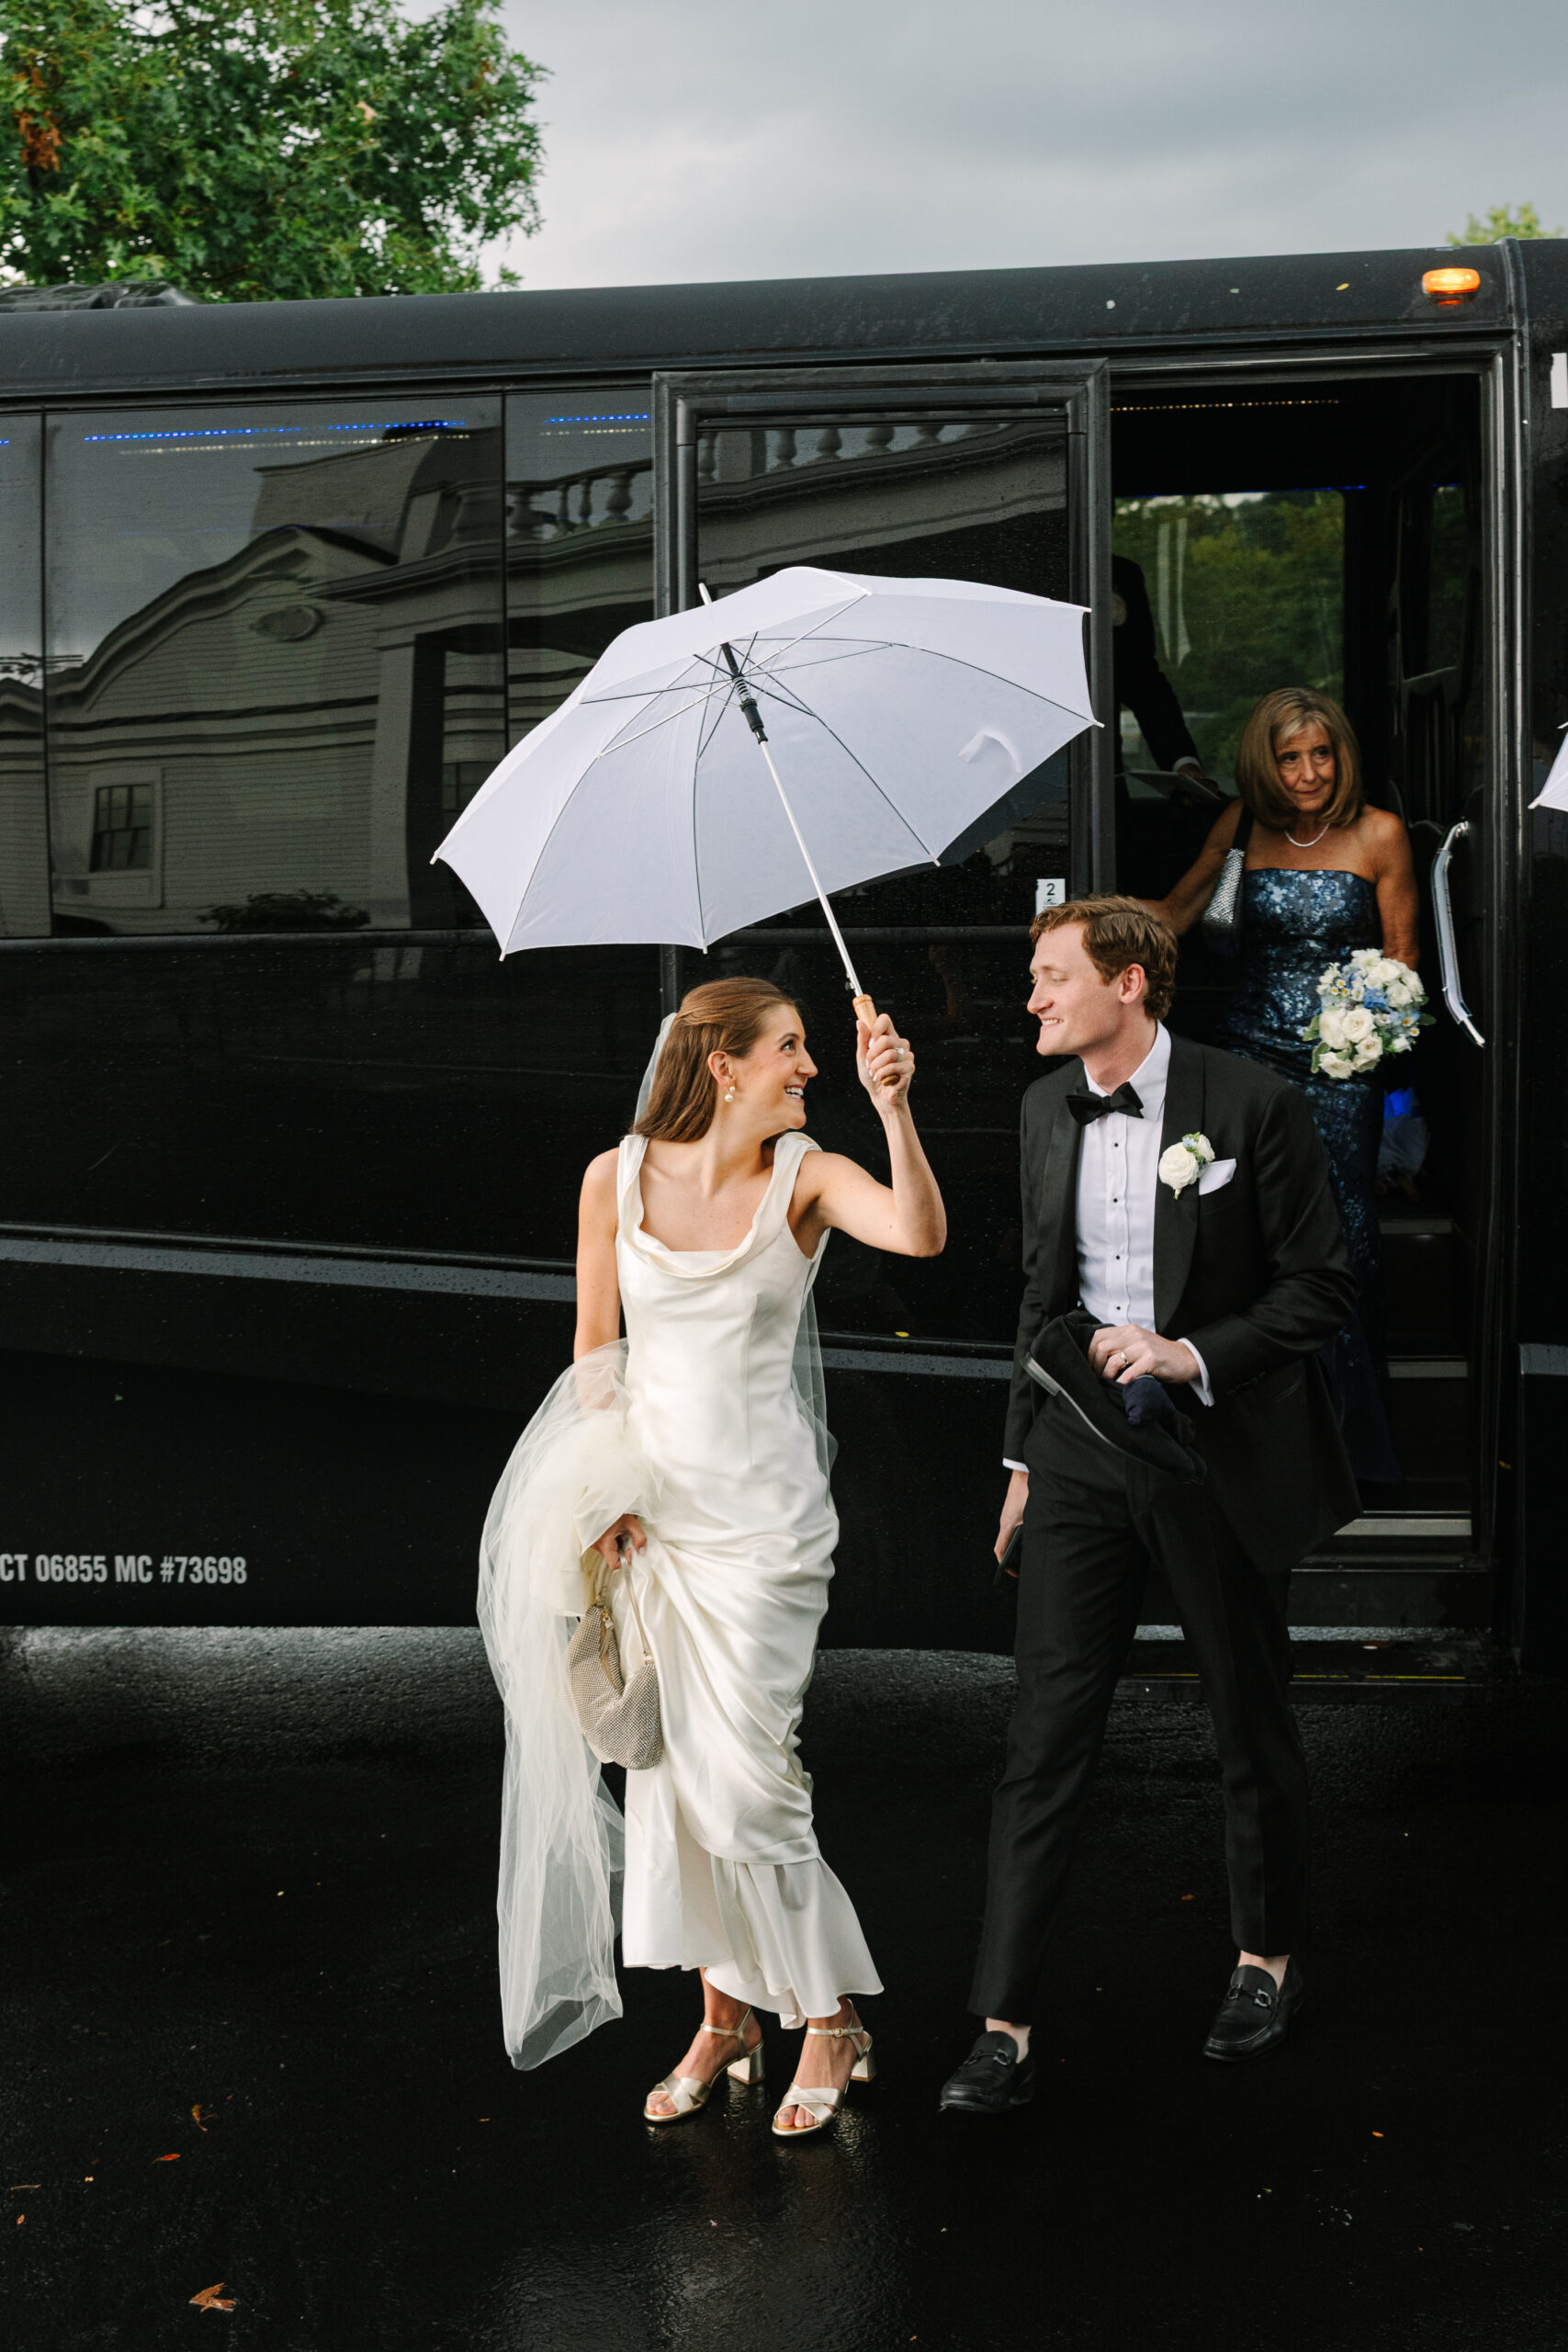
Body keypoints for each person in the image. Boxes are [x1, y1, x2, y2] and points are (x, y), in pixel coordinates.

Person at [478, 977, 945, 2139]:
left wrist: (895, 1108)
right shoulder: (614, 1177)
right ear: (724, 1065)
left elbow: (922, 1234)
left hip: (768, 1529)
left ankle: (831, 2016)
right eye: (791, 1048)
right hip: (657, 1523)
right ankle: (725, 2011)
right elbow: (598, 1348)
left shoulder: (811, 1177)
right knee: (673, 1784)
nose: (811, 1066)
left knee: (750, 1782)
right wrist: (608, 1492)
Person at [939, 897, 1358, 2116]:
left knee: (1245, 1723)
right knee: (1041, 1741)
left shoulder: (1248, 1104)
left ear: (1126, 983)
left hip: (1214, 1451)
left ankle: (1263, 1961)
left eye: (1050, 976)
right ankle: (1002, 2023)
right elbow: (1038, 1297)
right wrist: (1020, 1464)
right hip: (1075, 1456)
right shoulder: (1038, 1107)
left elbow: (1320, 1287)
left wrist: (1188, 1352)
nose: (1030, 999)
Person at [1140, 686, 1421, 1483]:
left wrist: (1365, 1034)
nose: (1306, 773)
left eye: (1320, 754)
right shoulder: (1240, 827)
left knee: (1344, 1235)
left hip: (1342, 1069)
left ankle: (1349, 1446)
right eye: (1289, 757)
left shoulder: (1379, 833)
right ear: (1266, 763)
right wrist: (1082, 924)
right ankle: (1257, 1442)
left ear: (1341, 756)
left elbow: (1402, 958)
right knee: (1244, 1232)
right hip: (1247, 1055)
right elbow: (1174, 912)